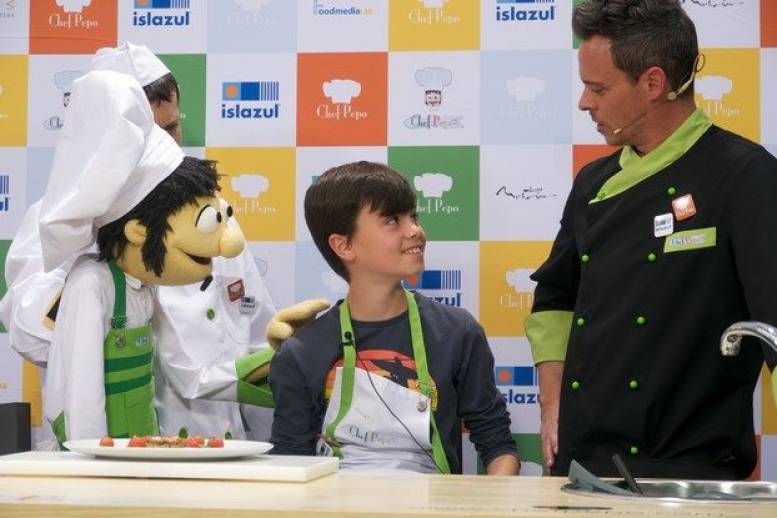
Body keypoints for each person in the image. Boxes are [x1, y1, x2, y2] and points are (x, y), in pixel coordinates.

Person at [0, 42, 327, 442]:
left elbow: (251, 331)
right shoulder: (61, 221)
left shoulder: (209, 219)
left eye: (171, 128)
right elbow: (29, 336)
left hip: (216, 447)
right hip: (113, 451)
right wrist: (108, 262)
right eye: (147, 135)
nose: (166, 146)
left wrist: (278, 444)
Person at [526, 0, 777, 480]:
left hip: (692, 474)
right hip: (581, 468)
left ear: (653, 83)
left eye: (598, 88)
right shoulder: (593, 182)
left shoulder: (745, 176)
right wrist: (551, 402)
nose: (584, 103)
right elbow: (556, 298)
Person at [269, 161, 520, 474]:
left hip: (433, 501)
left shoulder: (457, 331)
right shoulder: (301, 352)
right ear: (344, 245)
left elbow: (497, 444)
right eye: (392, 220)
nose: (415, 231)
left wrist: (498, 497)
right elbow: (291, 466)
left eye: (413, 216)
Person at [39, 70, 245, 443]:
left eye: (172, 127)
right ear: (137, 231)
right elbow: (82, 396)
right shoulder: (91, 282)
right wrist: (95, 459)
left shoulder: (146, 281)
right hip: (101, 459)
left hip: (143, 449)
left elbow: (183, 364)